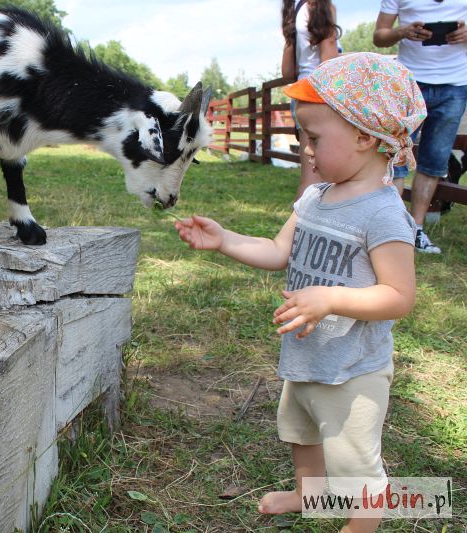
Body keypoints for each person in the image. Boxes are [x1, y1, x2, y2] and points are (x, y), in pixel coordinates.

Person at [176, 53, 424, 533]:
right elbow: (277, 249)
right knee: (301, 430)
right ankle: (308, 494)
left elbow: (399, 295)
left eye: (313, 137)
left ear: (365, 137)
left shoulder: (384, 214)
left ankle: (362, 521)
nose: (303, 148)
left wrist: (331, 298)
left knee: (352, 457)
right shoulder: (315, 197)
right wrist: (225, 239)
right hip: (308, 355)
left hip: (352, 369)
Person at [374, 0, 467, 254]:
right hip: (408, 82)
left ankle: (415, 230)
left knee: (435, 160)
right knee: (396, 156)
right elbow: (379, 36)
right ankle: (390, 229)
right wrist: (402, 31)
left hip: (456, 84)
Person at [281, 0, 341, 199]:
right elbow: (329, 61)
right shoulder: (320, 5)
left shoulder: (294, 8)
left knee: (309, 176)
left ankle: (298, 230)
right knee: (324, 177)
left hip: (302, 93)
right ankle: (306, 229)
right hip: (321, 94)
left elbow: (288, 71)